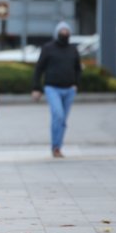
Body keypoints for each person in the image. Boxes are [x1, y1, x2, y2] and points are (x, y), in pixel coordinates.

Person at [31, 21, 82, 158]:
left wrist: (76, 84)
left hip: (69, 90)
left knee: (63, 120)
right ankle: (55, 147)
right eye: (62, 31)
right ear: (57, 33)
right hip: (52, 88)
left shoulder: (73, 49)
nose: (64, 33)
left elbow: (78, 68)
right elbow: (39, 68)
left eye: (67, 31)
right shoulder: (48, 48)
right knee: (58, 115)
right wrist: (36, 88)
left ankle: (58, 147)